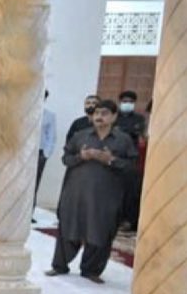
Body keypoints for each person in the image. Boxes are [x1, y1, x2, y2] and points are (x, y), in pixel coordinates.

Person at [46, 100, 136, 284]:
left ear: (114, 117)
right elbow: (66, 159)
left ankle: (91, 270)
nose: (99, 117)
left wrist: (110, 160)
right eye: (96, 113)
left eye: (104, 113)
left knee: (100, 228)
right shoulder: (80, 136)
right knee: (69, 226)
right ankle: (59, 266)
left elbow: (131, 167)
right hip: (76, 193)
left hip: (106, 197)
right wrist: (82, 156)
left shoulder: (123, 140)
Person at [115, 90, 147, 232]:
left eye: (130, 102)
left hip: (131, 159)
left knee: (130, 192)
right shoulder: (114, 117)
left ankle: (128, 220)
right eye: (125, 101)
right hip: (114, 157)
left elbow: (140, 136)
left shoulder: (139, 119)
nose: (127, 104)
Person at [34, 89, 56, 212]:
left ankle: (30, 214)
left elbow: (51, 137)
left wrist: (45, 154)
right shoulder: (24, 113)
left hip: (39, 153)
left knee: (34, 184)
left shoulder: (49, 116)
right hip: (24, 155)